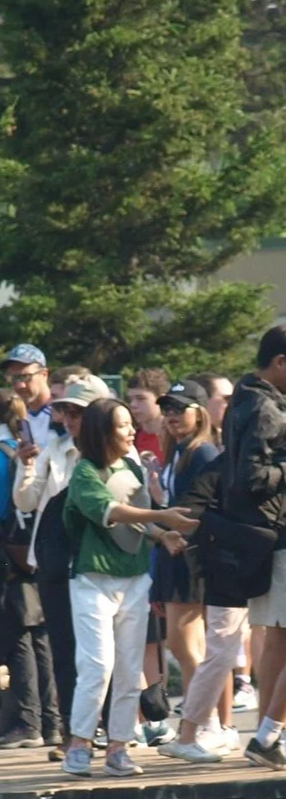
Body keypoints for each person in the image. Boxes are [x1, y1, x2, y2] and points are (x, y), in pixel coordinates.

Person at [61, 399, 194, 778]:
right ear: (103, 432)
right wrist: (161, 515)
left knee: (129, 666)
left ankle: (118, 746)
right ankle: (80, 744)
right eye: (122, 425)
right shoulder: (85, 472)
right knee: (97, 665)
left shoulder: (133, 466)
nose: (132, 430)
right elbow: (110, 512)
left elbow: (134, 524)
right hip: (92, 580)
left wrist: (161, 535)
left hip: (135, 579)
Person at [14, 373, 110, 739]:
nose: (70, 420)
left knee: (102, 651)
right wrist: (25, 466)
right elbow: (24, 501)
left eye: (78, 412)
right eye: (65, 411)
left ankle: (112, 728)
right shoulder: (55, 448)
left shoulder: (119, 452)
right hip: (55, 562)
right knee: (65, 649)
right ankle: (74, 732)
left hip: (101, 563)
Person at [0, 388, 60, 749]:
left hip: (2, 552)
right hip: (32, 547)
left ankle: (27, 721)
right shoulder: (31, 451)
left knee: (15, 633)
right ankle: (51, 720)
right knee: (39, 633)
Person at [217, 327, 286, 765]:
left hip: (266, 537)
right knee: (277, 637)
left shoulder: (243, 401)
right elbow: (253, 478)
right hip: (276, 532)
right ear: (280, 362)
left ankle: (271, 737)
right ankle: (268, 734)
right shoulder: (264, 408)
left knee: (277, 637)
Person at [147, 381, 222, 710]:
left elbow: (200, 508)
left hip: (191, 556)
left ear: (200, 412)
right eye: (166, 409)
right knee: (187, 645)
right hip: (175, 555)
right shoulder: (179, 449)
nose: (171, 415)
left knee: (186, 645)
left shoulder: (202, 451)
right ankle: (204, 720)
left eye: (180, 408)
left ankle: (203, 721)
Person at [2, 344, 53, 450]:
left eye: (26, 377)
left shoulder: (63, 416)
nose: (19, 385)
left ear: (44, 374)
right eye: (13, 378)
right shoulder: (22, 421)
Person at [126, 370, 170, 462]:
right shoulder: (129, 438)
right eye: (130, 399)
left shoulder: (176, 438)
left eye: (140, 398)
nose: (133, 404)